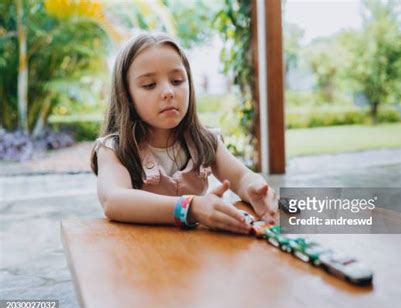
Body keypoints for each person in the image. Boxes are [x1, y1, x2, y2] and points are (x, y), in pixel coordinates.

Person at [90, 32, 278, 234]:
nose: (168, 92)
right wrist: (191, 208)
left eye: (177, 80)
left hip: (194, 255)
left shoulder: (205, 141)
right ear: (126, 96)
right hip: (140, 255)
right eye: (149, 85)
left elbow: (241, 177)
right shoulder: (113, 149)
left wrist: (254, 188)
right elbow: (114, 200)